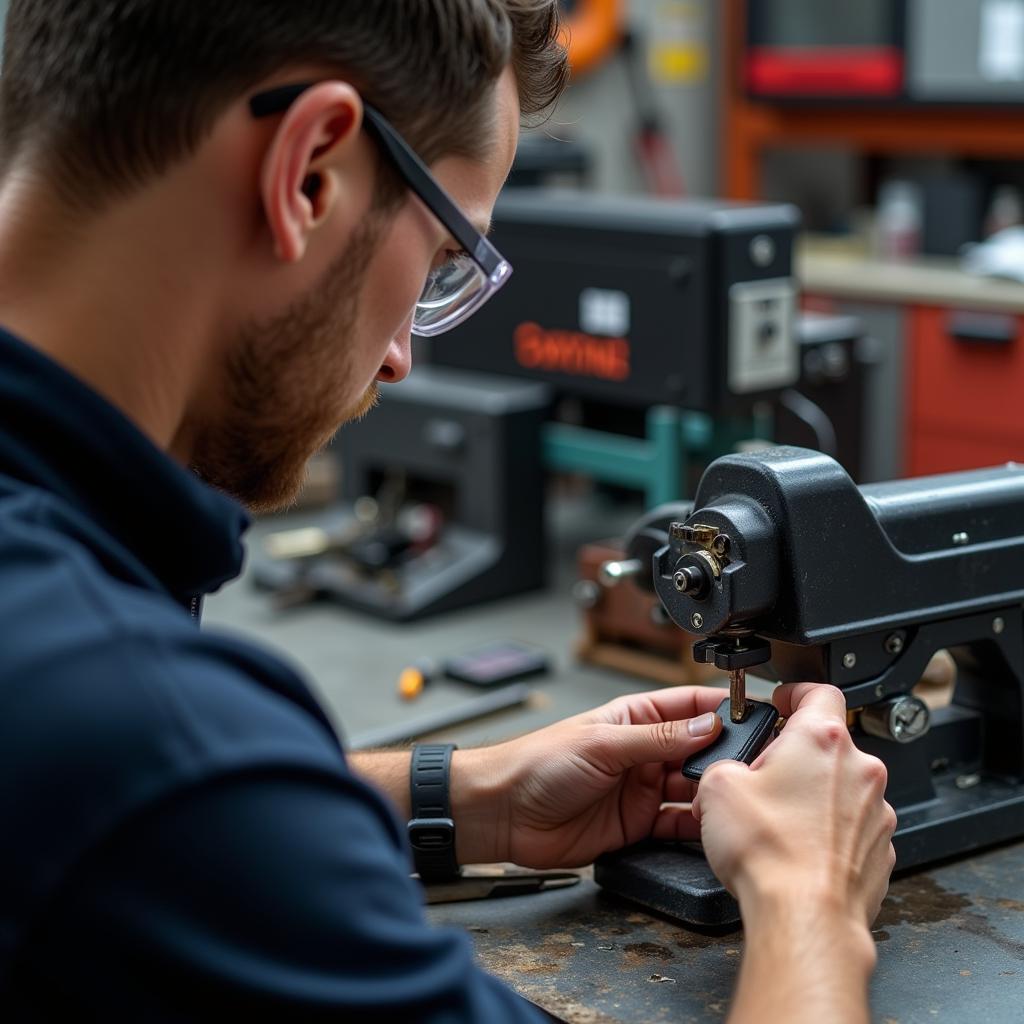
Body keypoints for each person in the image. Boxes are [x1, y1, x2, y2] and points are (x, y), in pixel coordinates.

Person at [0, 2, 896, 1020]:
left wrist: (466, 798)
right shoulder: (118, 720)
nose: (399, 356)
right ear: (308, 173)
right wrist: (807, 895)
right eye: (436, 265)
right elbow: (146, 792)